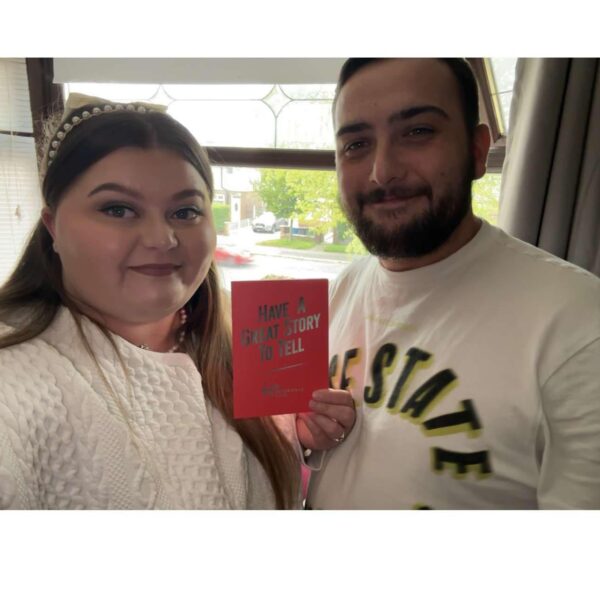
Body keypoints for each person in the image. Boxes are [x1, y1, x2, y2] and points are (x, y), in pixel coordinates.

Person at [0, 93, 355, 510]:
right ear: (53, 226)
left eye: (185, 212)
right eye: (118, 209)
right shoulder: (17, 378)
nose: (161, 239)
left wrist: (296, 438)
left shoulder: (242, 342)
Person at [306, 58, 600, 509]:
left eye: (418, 131)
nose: (382, 171)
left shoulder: (577, 323)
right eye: (356, 144)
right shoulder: (340, 291)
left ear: (477, 151)